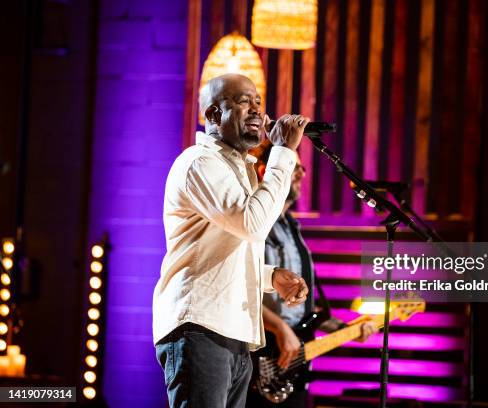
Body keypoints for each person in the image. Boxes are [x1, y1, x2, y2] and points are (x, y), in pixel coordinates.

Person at [152, 73, 311, 408]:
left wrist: (269, 277)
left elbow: (229, 246)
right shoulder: (200, 162)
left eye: (257, 102)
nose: (256, 110)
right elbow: (253, 224)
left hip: (235, 334)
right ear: (213, 115)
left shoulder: (240, 168)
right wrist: (283, 152)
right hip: (200, 328)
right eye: (242, 102)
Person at [246, 141, 378, 408]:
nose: (302, 173)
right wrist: (280, 328)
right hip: (259, 358)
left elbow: (302, 311)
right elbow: (237, 289)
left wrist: (345, 329)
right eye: (293, 166)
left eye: (301, 167)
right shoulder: (251, 224)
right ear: (266, 171)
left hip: (292, 368)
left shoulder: (292, 227)